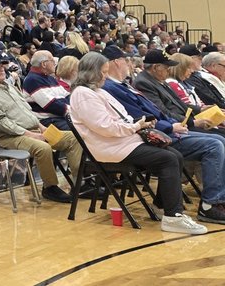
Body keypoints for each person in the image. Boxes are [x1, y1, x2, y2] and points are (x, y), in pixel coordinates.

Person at [69, 51, 207, 235]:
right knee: (168, 159)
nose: (104, 75)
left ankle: (162, 206)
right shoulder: (82, 94)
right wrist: (135, 126)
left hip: (122, 141)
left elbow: (122, 117)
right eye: (102, 71)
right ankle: (173, 216)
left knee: (175, 154)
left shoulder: (97, 91)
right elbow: (106, 128)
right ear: (91, 72)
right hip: (110, 147)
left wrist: (138, 124)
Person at [101, 44, 225, 224]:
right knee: (215, 144)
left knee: (218, 140)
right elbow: (143, 115)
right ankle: (210, 204)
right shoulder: (126, 85)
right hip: (156, 134)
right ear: (116, 62)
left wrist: (194, 115)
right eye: (125, 60)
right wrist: (175, 125)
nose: (129, 63)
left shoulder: (130, 84)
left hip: (167, 128)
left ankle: (216, 199)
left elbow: (165, 109)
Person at [0, 53, 82, 204]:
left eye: (2, 66)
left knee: (73, 138)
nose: (1, 70)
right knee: (43, 147)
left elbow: (27, 111)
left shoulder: (10, 87)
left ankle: (80, 183)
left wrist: (41, 127)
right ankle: (50, 187)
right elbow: (0, 123)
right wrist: (31, 134)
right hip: (10, 137)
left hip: (33, 129)